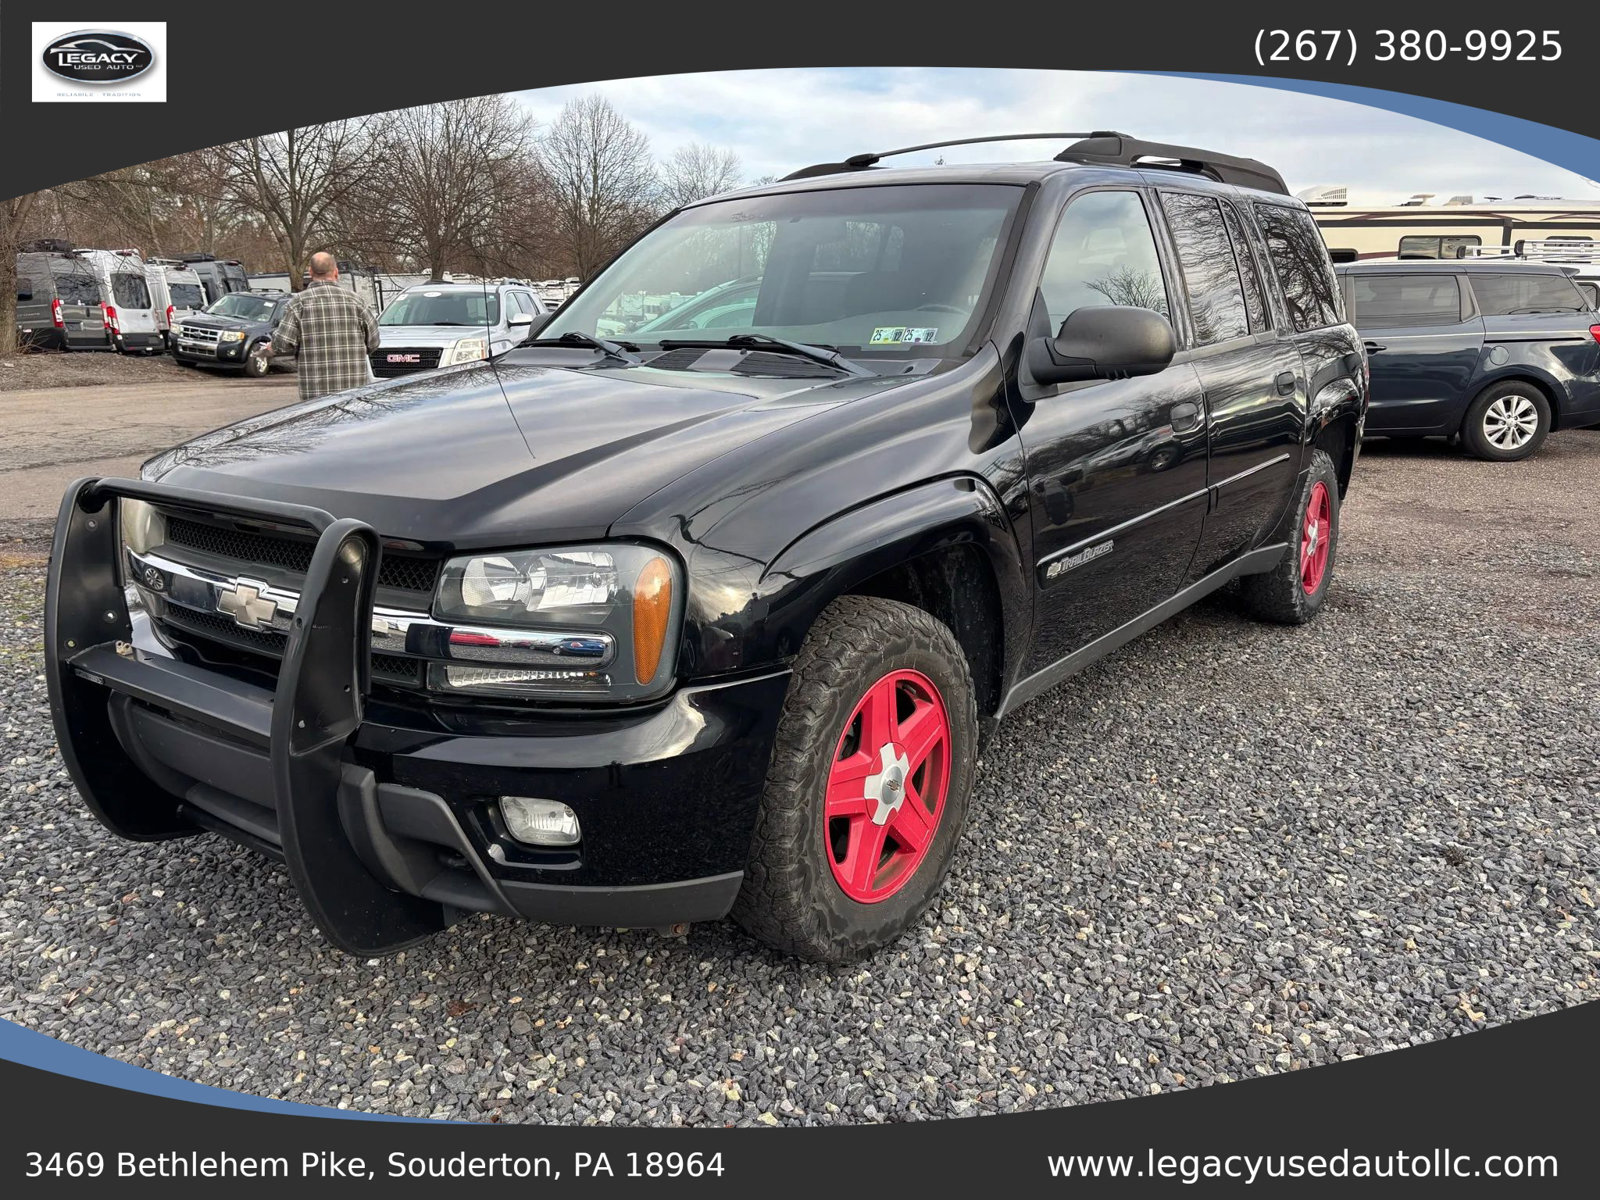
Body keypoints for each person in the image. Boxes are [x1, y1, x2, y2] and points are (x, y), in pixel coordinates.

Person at [262, 252, 379, 401]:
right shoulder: (356, 301)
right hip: (353, 392)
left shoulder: (298, 303)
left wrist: (270, 347)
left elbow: (282, 344)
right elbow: (374, 342)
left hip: (315, 395)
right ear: (336, 272)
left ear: (310, 271)